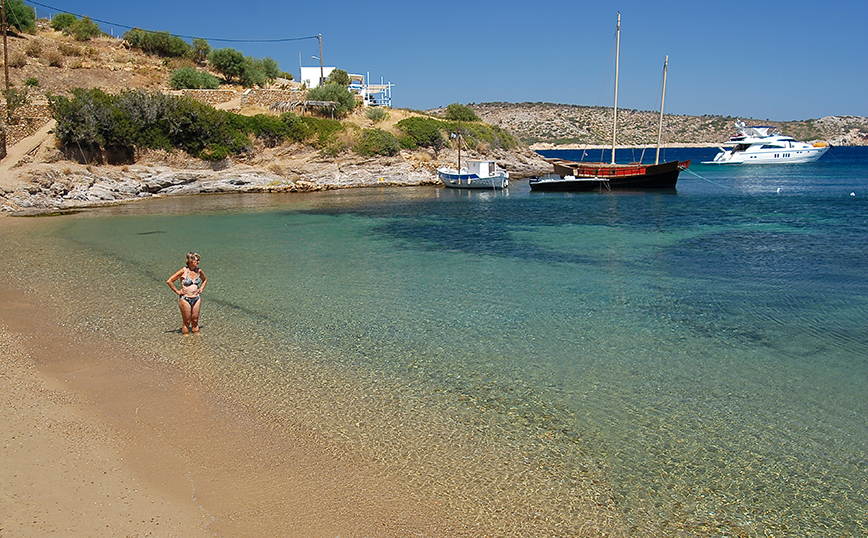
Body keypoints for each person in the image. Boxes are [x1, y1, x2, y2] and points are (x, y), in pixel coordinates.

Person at [167, 252, 207, 334]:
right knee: (187, 322)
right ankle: (185, 340)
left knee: (195, 321)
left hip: (196, 298)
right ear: (190, 261)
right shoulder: (183, 271)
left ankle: (197, 338)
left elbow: (205, 280)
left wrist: (201, 288)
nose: (198, 262)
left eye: (199, 260)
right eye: (197, 260)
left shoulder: (198, 271)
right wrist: (178, 291)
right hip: (185, 299)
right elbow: (169, 281)